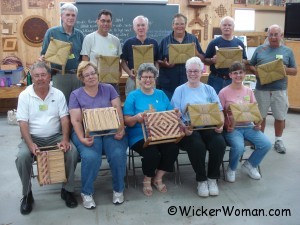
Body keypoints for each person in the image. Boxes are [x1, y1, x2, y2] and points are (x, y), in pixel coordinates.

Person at [15, 61, 78, 215]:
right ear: (32, 76)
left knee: (72, 152)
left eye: (43, 75)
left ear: (49, 76)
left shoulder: (58, 94)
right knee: (22, 157)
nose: (40, 78)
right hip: (33, 137)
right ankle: (27, 194)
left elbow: (64, 119)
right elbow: (23, 123)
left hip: (55, 136)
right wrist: (30, 145)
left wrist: (64, 139)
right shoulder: (24, 95)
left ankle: (67, 190)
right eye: (36, 75)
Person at [69, 61, 127, 209]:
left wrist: (121, 129)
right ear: (81, 78)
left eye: (93, 73)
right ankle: (86, 192)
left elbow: (118, 112)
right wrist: (82, 138)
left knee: (117, 154)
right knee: (90, 157)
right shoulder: (75, 95)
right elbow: (75, 120)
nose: (91, 77)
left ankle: (118, 189)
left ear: (97, 74)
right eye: (86, 75)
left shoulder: (109, 89)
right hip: (87, 132)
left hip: (111, 129)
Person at [171, 57, 226, 197]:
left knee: (219, 143)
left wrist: (221, 124)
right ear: (186, 72)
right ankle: (201, 180)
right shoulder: (180, 90)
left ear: (202, 71)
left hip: (208, 125)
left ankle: (212, 178)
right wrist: (183, 127)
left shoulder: (209, 89)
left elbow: (219, 110)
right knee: (197, 145)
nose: (193, 74)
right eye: (190, 71)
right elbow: (174, 114)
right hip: (188, 128)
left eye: (196, 71)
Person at [123, 63, 179, 197]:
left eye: (151, 77)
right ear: (139, 79)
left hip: (162, 133)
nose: (148, 80)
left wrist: (175, 114)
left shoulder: (161, 94)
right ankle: (147, 179)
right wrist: (136, 118)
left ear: (155, 79)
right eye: (144, 77)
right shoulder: (133, 96)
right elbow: (127, 121)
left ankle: (158, 177)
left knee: (173, 148)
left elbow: (170, 113)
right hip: (139, 135)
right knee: (152, 153)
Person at [218, 61, 272, 182]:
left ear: (245, 74)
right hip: (233, 128)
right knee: (238, 147)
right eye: (235, 73)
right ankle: (231, 169)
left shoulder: (248, 91)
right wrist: (226, 126)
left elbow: (254, 109)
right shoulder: (223, 92)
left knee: (266, 144)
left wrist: (257, 123)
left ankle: (250, 164)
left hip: (248, 126)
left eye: (241, 72)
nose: (238, 75)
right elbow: (220, 112)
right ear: (230, 75)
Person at [249, 24, 297, 154]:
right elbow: (250, 66)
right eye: (271, 34)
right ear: (267, 35)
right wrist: (256, 71)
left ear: (281, 36)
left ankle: (278, 140)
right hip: (261, 89)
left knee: (280, 116)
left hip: (279, 89)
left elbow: (294, 71)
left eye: (276, 34)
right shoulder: (259, 49)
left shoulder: (288, 51)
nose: (273, 37)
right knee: (260, 116)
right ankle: (260, 140)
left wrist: (282, 69)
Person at [40, 3, 84, 103]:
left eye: (73, 15)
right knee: (61, 105)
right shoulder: (52, 33)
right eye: (67, 15)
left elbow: (83, 57)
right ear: (61, 16)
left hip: (77, 76)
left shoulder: (80, 35)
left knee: (78, 104)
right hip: (59, 76)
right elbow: (44, 54)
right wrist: (42, 59)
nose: (70, 17)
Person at [157, 13, 205, 99]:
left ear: (185, 25)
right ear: (172, 25)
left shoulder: (193, 39)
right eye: (177, 24)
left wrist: (196, 53)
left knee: (186, 109)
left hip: (188, 84)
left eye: (182, 24)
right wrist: (165, 64)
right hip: (168, 85)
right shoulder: (165, 41)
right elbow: (157, 60)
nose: (179, 26)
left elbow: (203, 59)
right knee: (170, 110)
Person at [81, 9, 122, 93]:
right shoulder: (89, 38)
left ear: (111, 23)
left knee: (114, 105)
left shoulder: (116, 40)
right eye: (103, 21)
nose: (105, 24)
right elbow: (85, 60)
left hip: (112, 83)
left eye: (108, 21)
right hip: (94, 82)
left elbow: (118, 62)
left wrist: (118, 76)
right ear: (97, 21)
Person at [204, 16, 247, 94]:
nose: (227, 27)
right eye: (224, 25)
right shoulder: (214, 43)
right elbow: (205, 60)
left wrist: (239, 60)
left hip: (233, 79)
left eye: (229, 25)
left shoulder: (239, 43)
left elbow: (245, 60)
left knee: (232, 104)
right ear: (221, 27)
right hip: (216, 79)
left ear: (233, 27)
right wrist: (212, 60)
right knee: (214, 104)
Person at [121, 15, 159, 96]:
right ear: (134, 27)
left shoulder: (154, 43)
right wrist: (129, 73)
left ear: (147, 27)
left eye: (143, 25)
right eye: (138, 25)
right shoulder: (128, 43)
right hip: (133, 78)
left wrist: (155, 73)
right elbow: (123, 62)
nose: (140, 27)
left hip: (150, 79)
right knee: (132, 100)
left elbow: (157, 61)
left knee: (150, 100)